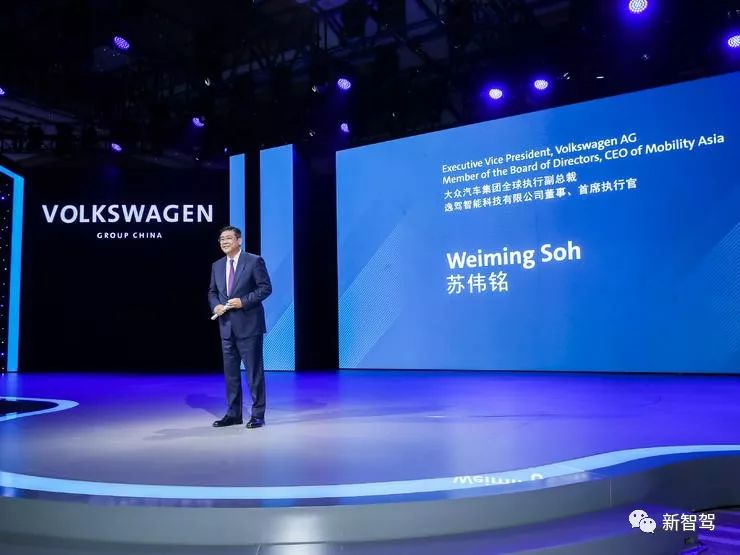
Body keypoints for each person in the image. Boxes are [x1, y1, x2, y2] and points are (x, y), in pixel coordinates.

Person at [208, 225, 272, 429]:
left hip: (249, 326)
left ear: (239, 240)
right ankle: (234, 414)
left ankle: (258, 415)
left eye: (228, 238)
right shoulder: (217, 265)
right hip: (226, 327)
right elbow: (212, 292)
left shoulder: (254, 261)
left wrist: (243, 302)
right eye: (221, 239)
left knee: (254, 373)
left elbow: (265, 288)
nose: (224, 242)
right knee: (231, 374)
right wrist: (216, 305)